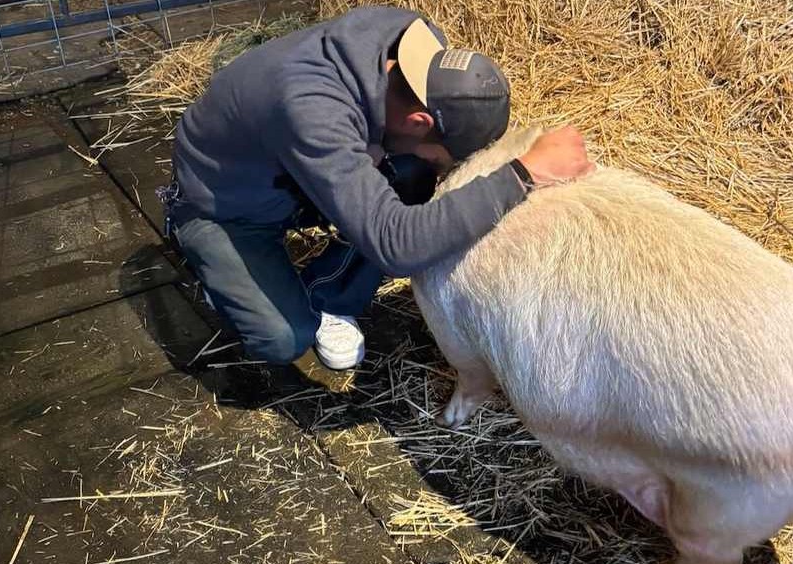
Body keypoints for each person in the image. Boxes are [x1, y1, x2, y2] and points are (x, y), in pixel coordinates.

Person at [161, 6, 594, 371]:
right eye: (440, 156)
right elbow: (396, 247)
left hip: (287, 169)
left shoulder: (413, 44)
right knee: (283, 337)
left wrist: (376, 146)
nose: (440, 169)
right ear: (419, 121)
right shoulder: (312, 111)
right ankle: (200, 247)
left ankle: (328, 295)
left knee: (412, 174)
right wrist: (522, 173)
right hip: (226, 202)